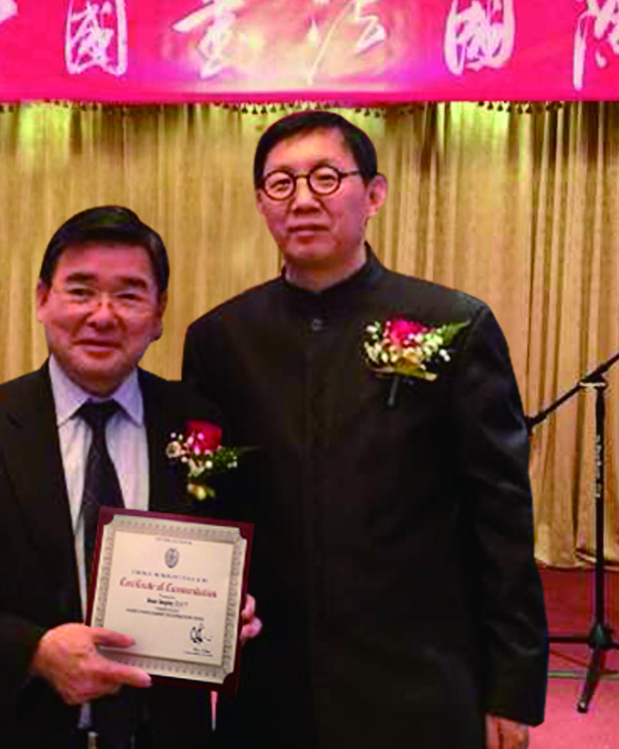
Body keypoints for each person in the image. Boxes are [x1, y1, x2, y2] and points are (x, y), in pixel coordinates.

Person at [182, 112, 548, 749]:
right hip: (273, 677)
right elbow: (208, 500)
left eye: (326, 178)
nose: (303, 200)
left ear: (373, 194)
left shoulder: (452, 324)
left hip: (417, 672)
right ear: (261, 203)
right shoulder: (221, 339)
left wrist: (510, 686)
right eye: (280, 183)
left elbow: (500, 516)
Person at [0, 206, 252, 749]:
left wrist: (235, 606)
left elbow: (235, 558)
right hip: (8, 732)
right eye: (80, 291)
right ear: (41, 299)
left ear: (159, 312)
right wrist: (33, 651)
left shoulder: (202, 426)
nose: (102, 315)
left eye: (128, 295)